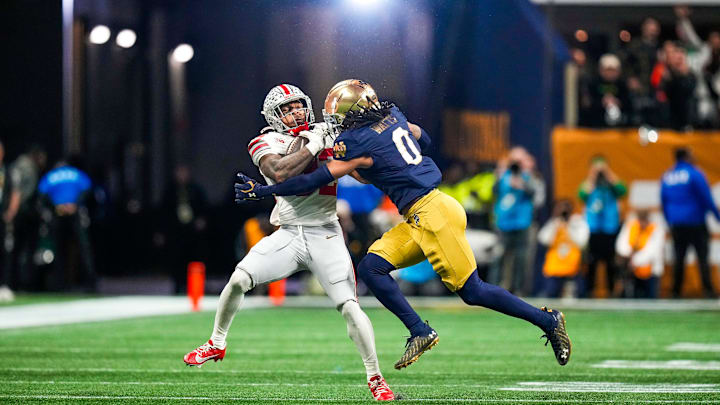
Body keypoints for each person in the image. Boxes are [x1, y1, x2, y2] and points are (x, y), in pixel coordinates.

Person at [235, 79, 571, 371]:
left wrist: (266, 190)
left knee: (473, 291)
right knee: (371, 267)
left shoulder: (356, 143)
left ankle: (547, 319)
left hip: (432, 213)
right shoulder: (394, 117)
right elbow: (421, 140)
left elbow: (317, 178)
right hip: (420, 214)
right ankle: (419, 330)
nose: (334, 120)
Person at [183, 84, 394, 401]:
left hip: (326, 233)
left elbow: (364, 174)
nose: (296, 112)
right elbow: (281, 173)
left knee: (350, 307)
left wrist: (360, 146)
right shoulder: (265, 141)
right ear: (274, 116)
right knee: (239, 279)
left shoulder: (327, 131)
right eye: (287, 109)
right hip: (289, 233)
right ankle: (216, 341)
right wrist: (312, 145)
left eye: (298, 106)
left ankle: (375, 377)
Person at [661, 147, 720, 298]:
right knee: (702, 258)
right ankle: (708, 290)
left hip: (677, 224)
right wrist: (717, 216)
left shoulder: (668, 176)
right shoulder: (695, 174)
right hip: (696, 222)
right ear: (687, 157)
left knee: (679, 258)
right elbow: (706, 198)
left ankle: (675, 291)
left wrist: (670, 220)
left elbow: (664, 202)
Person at [37, 159, 95, 292]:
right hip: (75, 212)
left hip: (59, 213)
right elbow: (88, 188)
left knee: (60, 249)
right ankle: (90, 282)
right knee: (83, 249)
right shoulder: (76, 173)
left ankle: (60, 283)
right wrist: (75, 204)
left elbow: (41, 194)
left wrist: (56, 206)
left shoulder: (51, 176)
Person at [492, 147, 542, 294]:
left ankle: (519, 290)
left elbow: (535, 195)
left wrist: (523, 183)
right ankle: (495, 289)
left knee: (521, 259)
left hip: (522, 223)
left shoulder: (528, 177)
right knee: (499, 257)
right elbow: (494, 192)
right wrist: (499, 172)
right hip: (503, 223)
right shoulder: (503, 176)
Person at [578, 155, 626, 298]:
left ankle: (612, 291)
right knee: (591, 262)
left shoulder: (611, 186)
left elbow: (623, 191)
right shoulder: (589, 184)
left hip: (610, 227)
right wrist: (592, 176)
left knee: (611, 262)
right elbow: (582, 195)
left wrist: (608, 174)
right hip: (593, 228)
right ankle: (589, 291)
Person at [5, 144, 47, 291]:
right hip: (23, 215)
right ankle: (25, 283)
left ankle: (13, 282)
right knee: (24, 250)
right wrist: (12, 211)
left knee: (15, 251)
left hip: (16, 214)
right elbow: (20, 193)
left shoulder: (13, 166)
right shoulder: (28, 168)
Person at [538, 200, 589, 298]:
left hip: (573, 267)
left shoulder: (578, 223)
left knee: (579, 294)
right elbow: (543, 239)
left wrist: (569, 227)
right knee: (551, 294)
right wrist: (555, 225)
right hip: (555, 267)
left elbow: (582, 243)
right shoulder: (554, 223)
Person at [615, 209, 665, 299]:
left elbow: (653, 251)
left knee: (649, 297)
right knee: (631, 296)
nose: (642, 223)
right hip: (630, 270)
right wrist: (628, 253)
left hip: (649, 271)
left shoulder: (656, 229)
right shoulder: (631, 226)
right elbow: (621, 244)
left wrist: (635, 261)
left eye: (644, 220)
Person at [0, 140, 15, 301]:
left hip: (2, 217)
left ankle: (4, 285)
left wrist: (10, 212)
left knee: (5, 251)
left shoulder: (8, 171)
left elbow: (15, 193)